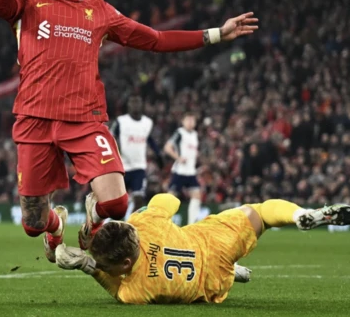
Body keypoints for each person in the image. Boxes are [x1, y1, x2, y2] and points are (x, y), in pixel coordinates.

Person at [0, 0, 258, 261]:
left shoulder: (98, 11)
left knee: (117, 203)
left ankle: (92, 223)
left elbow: (155, 39)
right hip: (34, 119)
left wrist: (215, 34)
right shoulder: (27, 0)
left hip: (84, 119)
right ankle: (56, 227)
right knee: (33, 222)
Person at [55, 192, 350, 304]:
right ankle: (300, 215)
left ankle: (235, 273)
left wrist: (87, 266)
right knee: (258, 213)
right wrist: (142, 212)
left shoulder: (135, 291)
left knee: (204, 268)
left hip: (210, 284)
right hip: (212, 245)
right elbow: (170, 200)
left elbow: (115, 288)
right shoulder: (145, 224)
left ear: (126, 264)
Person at [110, 95, 164, 213]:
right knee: (117, 200)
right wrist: (116, 150)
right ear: (128, 106)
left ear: (142, 105)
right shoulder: (121, 121)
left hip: (139, 167)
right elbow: (110, 136)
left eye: (138, 102)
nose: (135, 105)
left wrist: (159, 155)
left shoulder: (147, 123)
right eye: (132, 103)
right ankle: (109, 223)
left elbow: (150, 140)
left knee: (139, 199)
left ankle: (131, 224)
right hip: (122, 167)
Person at [164, 112, 202, 224]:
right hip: (180, 171)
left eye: (192, 120)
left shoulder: (195, 134)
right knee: (170, 197)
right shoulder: (180, 133)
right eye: (188, 120)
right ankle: (164, 221)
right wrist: (178, 157)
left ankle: (191, 224)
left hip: (191, 172)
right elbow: (167, 147)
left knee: (197, 195)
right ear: (183, 122)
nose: (190, 123)